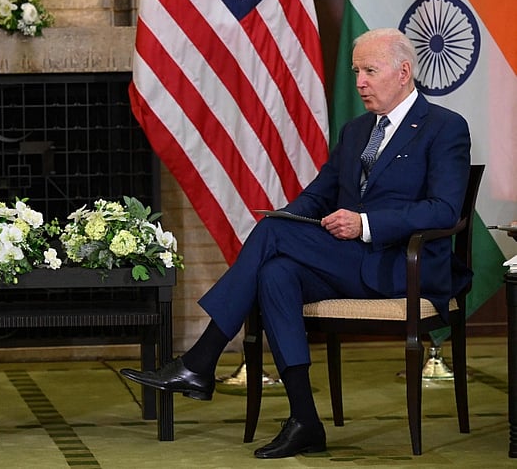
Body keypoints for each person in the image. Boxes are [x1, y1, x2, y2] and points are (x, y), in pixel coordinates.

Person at [120, 28, 471, 458]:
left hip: (403, 268)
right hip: (351, 262)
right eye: (356, 70)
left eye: (369, 71)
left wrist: (364, 223)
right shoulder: (357, 130)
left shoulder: (445, 127)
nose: (359, 81)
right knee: (276, 272)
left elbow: (443, 210)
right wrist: (286, 216)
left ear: (404, 72)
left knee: (273, 238)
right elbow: (319, 194)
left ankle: (200, 362)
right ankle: (304, 419)